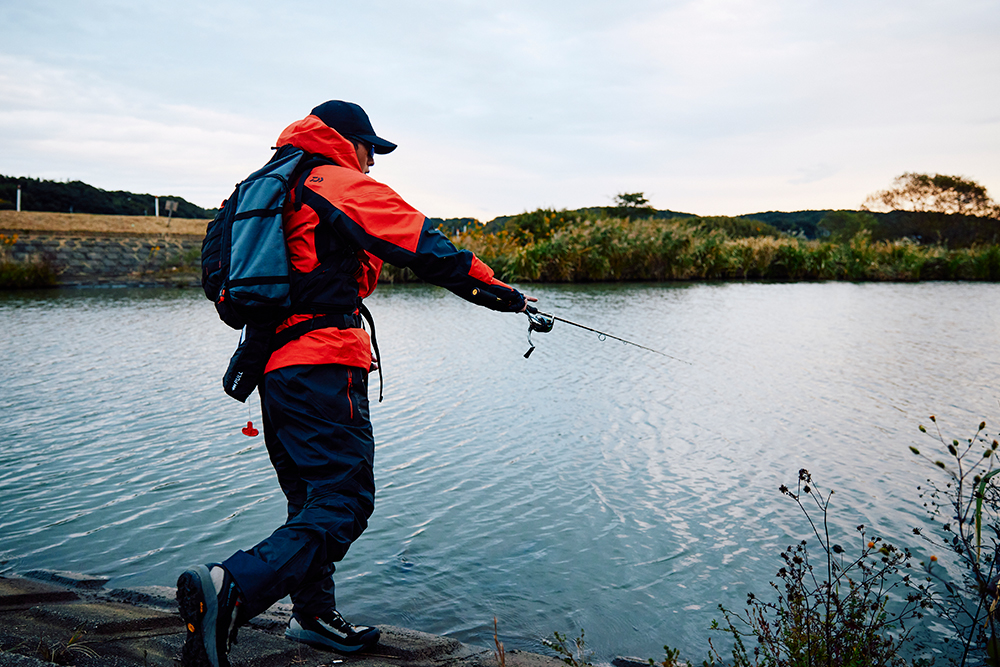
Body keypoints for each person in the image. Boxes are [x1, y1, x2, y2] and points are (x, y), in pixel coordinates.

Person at [176, 101, 533, 667]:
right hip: (323, 364)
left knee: (309, 498)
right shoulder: (334, 181)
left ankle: (312, 618)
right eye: (370, 148)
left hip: (274, 365)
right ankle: (231, 587)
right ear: (347, 141)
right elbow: (424, 243)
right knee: (344, 499)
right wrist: (503, 294)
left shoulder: (255, 189)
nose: (372, 163)